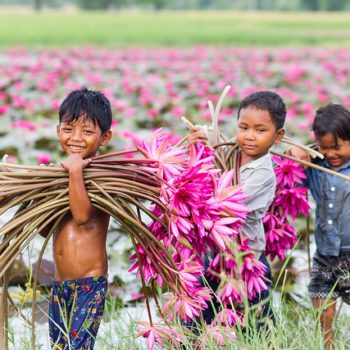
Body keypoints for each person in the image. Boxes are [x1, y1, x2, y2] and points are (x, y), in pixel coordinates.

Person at [191, 91, 286, 327]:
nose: (249, 136)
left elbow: (226, 204)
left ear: (278, 136)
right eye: (243, 128)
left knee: (257, 317)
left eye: (260, 130)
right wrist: (201, 143)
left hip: (247, 257)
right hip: (216, 253)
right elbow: (211, 156)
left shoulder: (263, 173)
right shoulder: (230, 152)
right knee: (202, 314)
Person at [45, 87, 113, 349]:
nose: (76, 138)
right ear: (57, 130)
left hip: (89, 281)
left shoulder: (103, 178)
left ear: (104, 137)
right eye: (68, 129)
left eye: (87, 132)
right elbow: (43, 229)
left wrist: (75, 172)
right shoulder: (60, 177)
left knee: (79, 347)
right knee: (59, 346)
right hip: (60, 281)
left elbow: (83, 216)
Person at [287, 104, 350, 350]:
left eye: (338, 147)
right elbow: (292, 169)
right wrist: (295, 153)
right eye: (324, 147)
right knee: (322, 298)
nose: (331, 153)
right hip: (324, 250)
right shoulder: (315, 167)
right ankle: (328, 345)